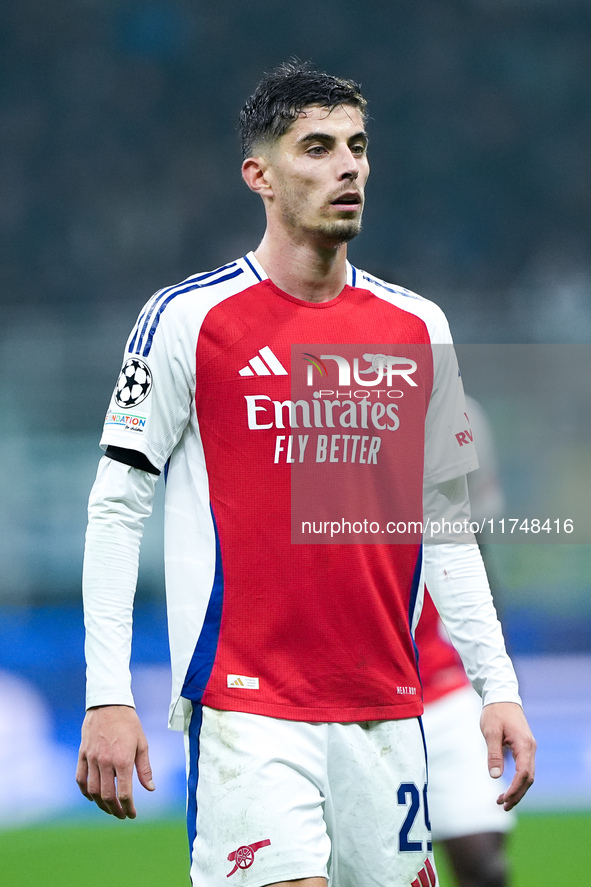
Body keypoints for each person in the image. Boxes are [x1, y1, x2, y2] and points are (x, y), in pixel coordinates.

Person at [76, 61, 535, 887]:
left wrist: (493, 685)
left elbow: (446, 528)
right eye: (316, 148)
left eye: (356, 147)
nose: (346, 166)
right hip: (247, 705)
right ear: (259, 174)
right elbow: (115, 509)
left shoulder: (414, 324)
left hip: (388, 708)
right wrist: (106, 692)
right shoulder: (188, 319)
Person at [418, 397, 513, 887]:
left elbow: (478, 551)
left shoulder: (460, 417)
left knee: (484, 867)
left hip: (446, 684)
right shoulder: (318, 424)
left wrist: (500, 689)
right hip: (360, 697)